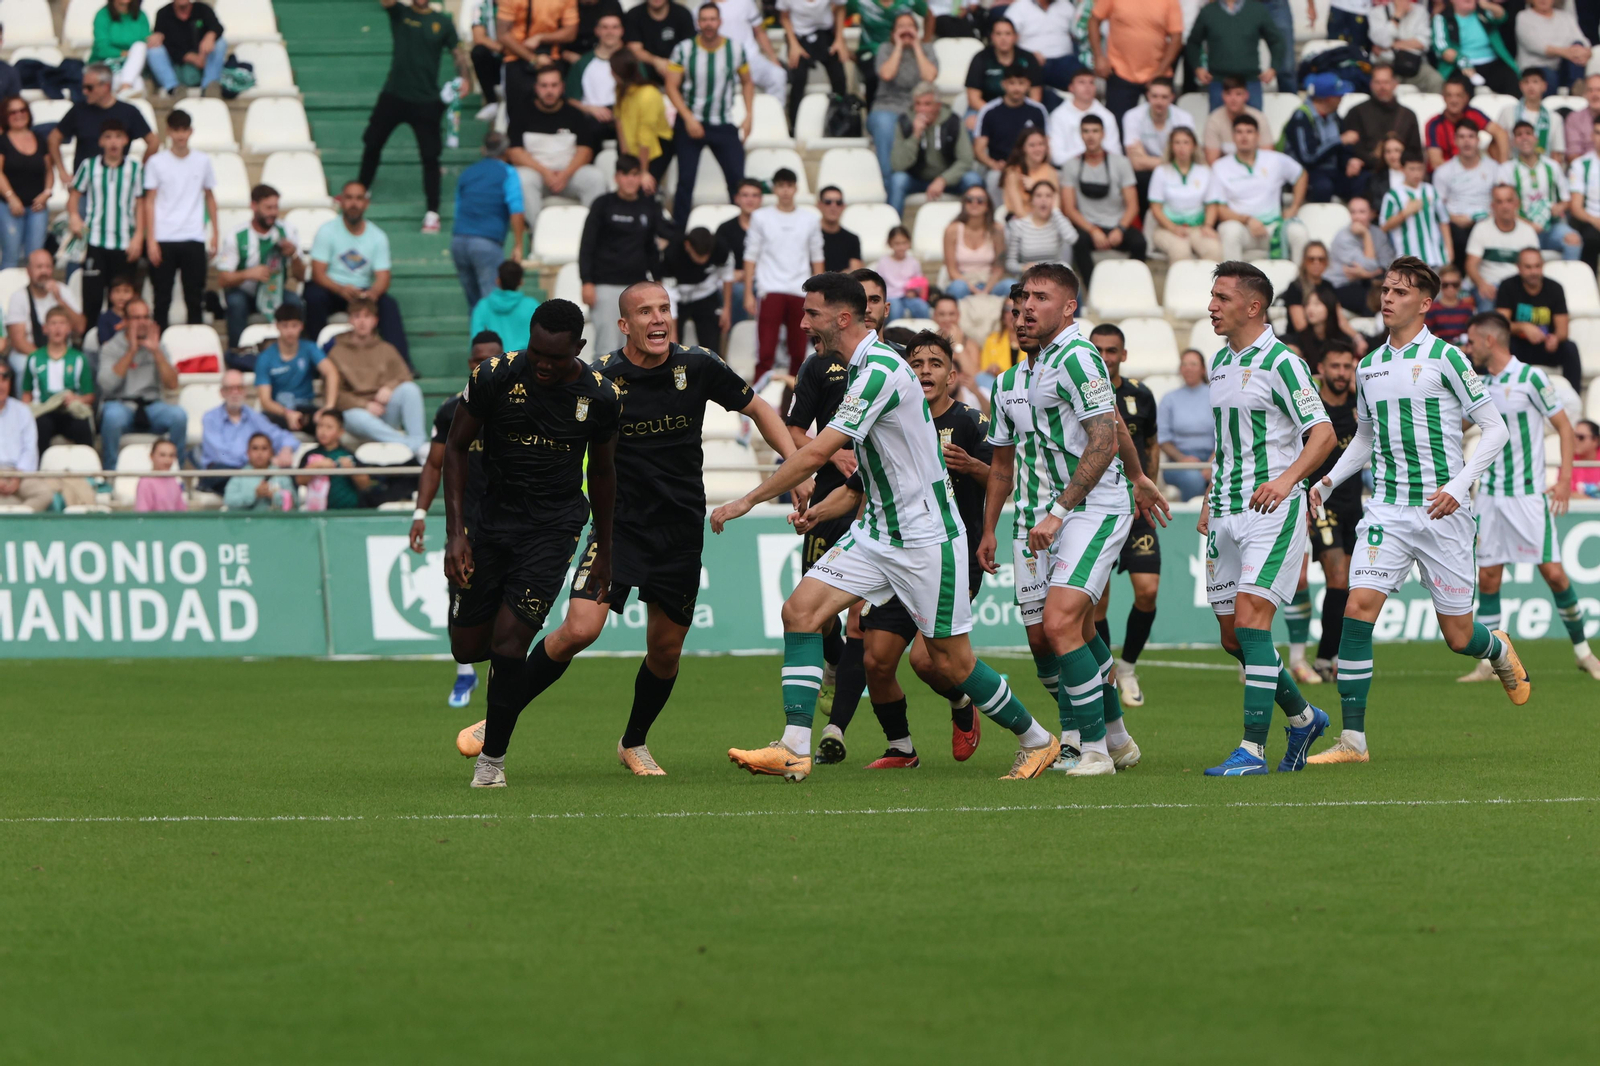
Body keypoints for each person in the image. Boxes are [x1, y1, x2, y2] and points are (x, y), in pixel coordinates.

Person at [710, 271, 1066, 782]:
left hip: (926, 537)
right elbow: (865, 472)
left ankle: (1037, 739)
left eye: (811, 313)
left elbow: (816, 451)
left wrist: (746, 499)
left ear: (842, 317)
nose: (804, 322)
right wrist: (824, 509)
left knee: (950, 663)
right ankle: (793, 745)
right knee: (801, 611)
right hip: (878, 532)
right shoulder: (861, 369)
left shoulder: (877, 369)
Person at [499, 282, 793, 773]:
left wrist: (795, 464)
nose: (658, 320)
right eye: (644, 312)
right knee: (578, 629)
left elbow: (759, 408)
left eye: (664, 310)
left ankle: (633, 742)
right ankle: (499, 716)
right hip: (618, 531)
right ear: (624, 325)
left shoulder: (698, 365)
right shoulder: (600, 378)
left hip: (679, 534)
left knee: (665, 651)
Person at [1309, 256, 1527, 767]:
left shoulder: (1448, 359)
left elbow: (1496, 429)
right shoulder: (1368, 365)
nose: (1387, 298)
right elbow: (1364, 438)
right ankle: (1353, 743)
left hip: (1443, 512)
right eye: (1385, 289)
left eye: (1400, 292)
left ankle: (1495, 649)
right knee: (1357, 608)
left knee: (1458, 637)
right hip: (1386, 508)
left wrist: (1458, 485)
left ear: (1425, 304)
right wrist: (1327, 479)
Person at [795, 331, 994, 766]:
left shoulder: (971, 423)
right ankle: (901, 747)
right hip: (893, 550)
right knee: (876, 660)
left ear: (952, 375)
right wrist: (817, 514)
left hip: (943, 552)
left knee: (929, 661)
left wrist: (975, 468)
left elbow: (1005, 478)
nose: (924, 370)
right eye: (917, 362)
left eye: (935, 363)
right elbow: (857, 487)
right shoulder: (892, 419)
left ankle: (966, 704)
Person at [443, 300, 620, 788]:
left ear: (579, 350)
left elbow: (603, 473)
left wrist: (606, 549)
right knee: (467, 647)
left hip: (553, 528)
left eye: (555, 358)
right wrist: (455, 533)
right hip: (491, 524)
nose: (542, 364)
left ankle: (492, 763)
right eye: (536, 352)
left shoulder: (601, 396)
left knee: (509, 644)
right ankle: (474, 612)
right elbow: (455, 448)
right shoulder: (493, 376)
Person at [1013, 262, 1167, 775]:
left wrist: (1058, 512)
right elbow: (1112, 423)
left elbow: (1101, 437)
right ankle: (1119, 740)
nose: (1027, 305)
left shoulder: (1076, 355)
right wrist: (1141, 472)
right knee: (1080, 627)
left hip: (1094, 508)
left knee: (1058, 624)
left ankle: (1093, 750)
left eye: (1040, 297)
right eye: (1024, 296)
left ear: (1068, 307)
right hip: (1075, 506)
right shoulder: (1043, 360)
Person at [1195, 261, 1334, 776]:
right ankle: (1302, 718)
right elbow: (1226, 441)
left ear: (1253, 306)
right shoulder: (1220, 361)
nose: (1212, 305)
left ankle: (1251, 749)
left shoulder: (1283, 362)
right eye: (1212, 296)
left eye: (1222, 297)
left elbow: (1322, 434)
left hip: (1271, 511)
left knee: (1254, 622)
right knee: (1234, 638)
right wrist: (1211, 494)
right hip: (1226, 508)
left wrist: (1287, 480)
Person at [1458, 312, 1600, 683]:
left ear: (1490, 340)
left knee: (1553, 574)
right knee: (1488, 578)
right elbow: (1461, 423)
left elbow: (1565, 428)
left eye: (1472, 341)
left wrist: (1565, 478)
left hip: (1527, 497)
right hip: (1489, 495)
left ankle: (1584, 653)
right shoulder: (1478, 382)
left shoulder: (1531, 378)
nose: (1468, 347)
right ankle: (1490, 663)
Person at [413, 335, 500, 709]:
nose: (485, 366)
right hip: (465, 526)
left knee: (506, 599)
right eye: (479, 360)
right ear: (470, 364)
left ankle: (502, 672)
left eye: (493, 359)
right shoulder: (452, 410)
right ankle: (465, 672)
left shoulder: (519, 406)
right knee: (460, 596)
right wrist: (420, 513)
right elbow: (435, 464)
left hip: (508, 521)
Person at [1084, 323, 1161, 707]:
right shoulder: (1082, 393)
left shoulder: (1141, 396)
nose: (1104, 357)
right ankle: (1108, 674)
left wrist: (1149, 485)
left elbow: (1150, 444)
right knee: (1097, 603)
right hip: (1098, 508)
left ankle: (1128, 666)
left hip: (1138, 509)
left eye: (1111, 350)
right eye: (1097, 349)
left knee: (1148, 591)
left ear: (1123, 355)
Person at [357, 0, 470, 233]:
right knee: (372, 143)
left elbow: (457, 54)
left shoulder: (443, 22)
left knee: (430, 158)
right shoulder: (400, 13)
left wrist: (465, 77)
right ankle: (362, 189)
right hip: (393, 95)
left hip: (427, 101)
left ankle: (432, 213)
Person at [665, 4, 754, 227]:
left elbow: (747, 82)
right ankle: (679, 232)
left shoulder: (735, 49)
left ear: (720, 21)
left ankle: (741, 230)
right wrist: (688, 118)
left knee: (737, 179)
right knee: (685, 181)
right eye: (704, 19)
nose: (708, 24)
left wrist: (749, 114)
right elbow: (671, 86)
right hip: (690, 122)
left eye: (712, 19)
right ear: (698, 22)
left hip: (723, 123)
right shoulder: (684, 50)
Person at [579, 153, 672, 354]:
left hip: (637, 286)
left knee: (637, 345)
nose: (630, 180)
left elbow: (651, 247)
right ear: (617, 177)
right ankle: (601, 385)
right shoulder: (602, 204)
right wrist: (586, 281)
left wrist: (658, 279)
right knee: (607, 346)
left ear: (640, 178)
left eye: (635, 175)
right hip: (604, 285)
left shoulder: (648, 206)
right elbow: (587, 244)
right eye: (625, 174)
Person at [306, 182, 408, 362]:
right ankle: (315, 360)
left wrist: (372, 294)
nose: (354, 203)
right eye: (349, 198)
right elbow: (318, 273)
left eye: (359, 198)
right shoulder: (327, 231)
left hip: (362, 292)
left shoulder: (377, 236)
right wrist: (340, 289)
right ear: (341, 201)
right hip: (332, 289)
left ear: (366, 203)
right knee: (314, 296)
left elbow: (383, 276)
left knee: (388, 304)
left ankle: (401, 364)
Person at [1308, 343, 1361, 681]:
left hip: (1354, 505)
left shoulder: (1361, 408)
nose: (1342, 373)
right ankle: (1325, 657)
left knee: (1351, 586)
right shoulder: (1312, 409)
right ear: (1322, 369)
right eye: (1336, 366)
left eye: (1347, 367)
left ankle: (1331, 655)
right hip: (1321, 505)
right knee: (1338, 579)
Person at [744, 168, 824, 382]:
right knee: (765, 352)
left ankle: (795, 403)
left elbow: (817, 256)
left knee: (799, 352)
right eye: (781, 186)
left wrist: (820, 293)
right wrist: (748, 293)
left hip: (800, 289)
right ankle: (757, 404)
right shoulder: (761, 217)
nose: (786, 191)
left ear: (796, 188)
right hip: (770, 288)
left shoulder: (810, 219)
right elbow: (751, 254)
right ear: (775, 189)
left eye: (789, 185)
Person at [325, 299, 428, 459]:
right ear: (350, 320)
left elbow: (404, 376)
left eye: (367, 316)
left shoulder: (386, 349)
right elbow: (335, 394)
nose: (362, 321)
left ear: (375, 320)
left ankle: (417, 440)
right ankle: (413, 447)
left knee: (411, 390)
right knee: (355, 416)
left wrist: (389, 387)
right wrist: (364, 405)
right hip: (358, 415)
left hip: (385, 410)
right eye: (357, 316)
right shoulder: (336, 352)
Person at [143, 108, 217, 331]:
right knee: (161, 299)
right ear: (169, 132)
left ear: (191, 131)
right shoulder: (156, 162)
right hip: (164, 237)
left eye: (184, 130)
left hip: (193, 235)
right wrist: (151, 240)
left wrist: (215, 233)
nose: (180, 135)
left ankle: (194, 350)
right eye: (176, 130)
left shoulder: (203, 161)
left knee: (195, 298)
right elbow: (149, 201)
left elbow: (210, 197)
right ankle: (161, 347)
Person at [67, 120, 146, 320]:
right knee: (92, 300)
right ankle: (89, 343)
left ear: (126, 140)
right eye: (108, 137)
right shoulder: (89, 165)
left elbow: (141, 205)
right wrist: (75, 217)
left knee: (123, 303)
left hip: (124, 244)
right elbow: (74, 197)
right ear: (101, 141)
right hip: (95, 242)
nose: (113, 142)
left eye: (118, 137)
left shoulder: (135, 168)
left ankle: (121, 345)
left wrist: (138, 237)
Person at [1204, 113, 1306, 261]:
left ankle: (1298, 282)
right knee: (1230, 231)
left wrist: (1294, 207)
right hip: (1243, 228)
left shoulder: (1274, 159)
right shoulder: (1220, 166)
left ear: (1258, 136)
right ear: (1233, 137)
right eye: (1239, 132)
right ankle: (1234, 282)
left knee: (1299, 232)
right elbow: (1220, 209)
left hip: (1273, 227)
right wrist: (1247, 220)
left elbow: (1301, 174)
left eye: (1249, 131)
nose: (1244, 137)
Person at [95, 299, 184, 465]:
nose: (142, 322)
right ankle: (110, 474)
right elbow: (106, 386)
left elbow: (172, 384)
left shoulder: (158, 346)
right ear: (126, 321)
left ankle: (176, 472)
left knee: (179, 416)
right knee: (112, 416)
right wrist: (131, 351)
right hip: (121, 405)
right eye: (136, 318)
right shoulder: (111, 347)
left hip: (153, 406)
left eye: (146, 317)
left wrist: (156, 352)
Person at [216, 184, 303, 351]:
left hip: (275, 291)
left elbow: (300, 276)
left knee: (294, 302)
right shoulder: (236, 235)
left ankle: (295, 352)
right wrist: (248, 274)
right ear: (254, 206)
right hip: (244, 292)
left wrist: (294, 255)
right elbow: (222, 279)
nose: (273, 213)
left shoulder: (288, 231)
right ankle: (237, 352)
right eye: (268, 207)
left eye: (276, 207)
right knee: (236, 303)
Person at [1059, 114, 1144, 282]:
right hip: (1088, 227)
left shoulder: (1121, 163)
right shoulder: (1071, 165)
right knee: (1078, 241)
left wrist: (1120, 229)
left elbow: (1133, 205)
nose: (1091, 136)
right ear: (1081, 134)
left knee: (1140, 243)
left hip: (1117, 226)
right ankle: (1093, 290)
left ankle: (1134, 285)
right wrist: (1093, 230)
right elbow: (1068, 208)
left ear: (1103, 134)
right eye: (1086, 131)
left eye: (1095, 131)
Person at [46, 64, 156, 190]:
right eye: (83, 87)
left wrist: (138, 171)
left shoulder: (129, 112)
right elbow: (53, 138)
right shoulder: (78, 110)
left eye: (89, 87)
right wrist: (62, 171)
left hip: (118, 186)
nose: (84, 91)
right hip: (85, 186)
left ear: (106, 86)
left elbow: (153, 142)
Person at [451, 133, 528, 312]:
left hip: (458, 241)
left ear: (483, 150)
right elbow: (516, 209)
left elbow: (458, 210)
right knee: (492, 304)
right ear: (507, 151)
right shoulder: (507, 172)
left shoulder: (467, 173)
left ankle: (478, 339)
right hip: (486, 243)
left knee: (475, 306)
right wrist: (518, 244)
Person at [1494, 246, 1582, 390]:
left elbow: (1563, 330)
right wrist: (1523, 327)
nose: (1533, 272)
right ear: (1519, 267)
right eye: (1528, 267)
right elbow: (1500, 324)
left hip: (1546, 346)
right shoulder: (1508, 286)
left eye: (1537, 266)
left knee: (1570, 348)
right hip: (1517, 346)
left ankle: (1574, 398)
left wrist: (1555, 338)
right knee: (1499, 345)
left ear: (1543, 266)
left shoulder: (1555, 288)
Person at [887, 81, 979, 215]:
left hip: (948, 180)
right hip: (916, 179)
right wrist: (915, 135)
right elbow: (897, 165)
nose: (921, 109)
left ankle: (974, 229)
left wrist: (943, 180)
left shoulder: (953, 121)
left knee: (973, 179)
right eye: (918, 104)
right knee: (898, 180)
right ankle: (894, 231)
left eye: (927, 104)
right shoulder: (904, 122)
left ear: (938, 106)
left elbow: (966, 160)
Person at [1088, 0, 1183, 128]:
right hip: (1120, 71)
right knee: (1116, 128)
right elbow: (1094, 20)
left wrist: (1160, 72)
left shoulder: (1170, 2)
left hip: (1157, 75)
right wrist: (1099, 56)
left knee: (1166, 128)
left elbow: (1176, 37)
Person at [1496, 120, 1581, 262]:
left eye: (1528, 134)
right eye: (1519, 135)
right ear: (1513, 142)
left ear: (1535, 138)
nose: (1524, 138)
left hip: (1551, 227)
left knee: (1573, 239)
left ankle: (1569, 280)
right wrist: (1528, 225)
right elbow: (1502, 207)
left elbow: (1566, 199)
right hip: (1519, 227)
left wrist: (1559, 207)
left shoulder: (1552, 166)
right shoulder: (1506, 169)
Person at [868, 14, 939, 183]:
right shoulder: (886, 49)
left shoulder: (927, 49)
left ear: (917, 31)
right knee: (884, 125)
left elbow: (929, 77)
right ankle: (888, 181)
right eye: (901, 26)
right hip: (887, 107)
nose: (906, 29)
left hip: (918, 107)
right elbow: (886, 74)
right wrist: (899, 46)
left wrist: (916, 46)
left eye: (910, 26)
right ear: (893, 32)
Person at [1185, 0, 1286, 110]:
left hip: (1250, 82)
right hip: (1219, 82)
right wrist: (1197, 67)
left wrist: (1273, 68)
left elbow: (1276, 41)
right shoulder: (1208, 12)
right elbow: (1193, 43)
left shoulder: (1257, 10)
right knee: (1218, 125)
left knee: (1253, 124)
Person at [973, 64, 1050, 201]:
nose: (1016, 88)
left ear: (1028, 85)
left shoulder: (1038, 110)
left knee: (1054, 176)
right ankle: (997, 219)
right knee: (993, 178)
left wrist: (1040, 168)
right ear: (1003, 84)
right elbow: (979, 149)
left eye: (1021, 83)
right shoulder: (989, 111)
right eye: (1012, 83)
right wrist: (993, 164)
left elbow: (1046, 144)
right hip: (1001, 168)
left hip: (1033, 167)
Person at [202, 368, 298, 476]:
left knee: (287, 475)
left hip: (252, 472)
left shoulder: (254, 416)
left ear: (245, 391)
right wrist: (256, 460)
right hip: (223, 473)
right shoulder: (211, 418)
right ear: (222, 392)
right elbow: (221, 455)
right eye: (230, 388)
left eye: (239, 387)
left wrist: (286, 449)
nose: (235, 392)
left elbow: (282, 437)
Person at [254, 304, 335, 432]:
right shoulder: (265, 357)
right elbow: (265, 400)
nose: (290, 331)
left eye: (294, 325)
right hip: (279, 411)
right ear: (277, 326)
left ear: (301, 326)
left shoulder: (310, 348)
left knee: (329, 423)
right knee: (262, 422)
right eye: (285, 326)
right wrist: (287, 413)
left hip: (306, 409)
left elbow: (331, 372)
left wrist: (329, 407)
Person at [1284, 74, 1363, 204]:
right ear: (1328, 99)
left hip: (1332, 170)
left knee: (1362, 180)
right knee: (1323, 187)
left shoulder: (1334, 116)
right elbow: (1308, 157)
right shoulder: (1301, 117)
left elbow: (1343, 149)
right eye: (1338, 95)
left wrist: (1350, 161)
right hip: (1306, 172)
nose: (1342, 98)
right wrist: (1339, 141)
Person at [6, 249, 85, 378]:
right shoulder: (18, 297)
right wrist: (45, 360)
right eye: (39, 267)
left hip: (63, 351)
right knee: (22, 367)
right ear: (28, 271)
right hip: (29, 352)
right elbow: (18, 341)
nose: (44, 271)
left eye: (48, 267)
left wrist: (59, 299)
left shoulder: (63, 291)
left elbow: (80, 328)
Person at [21, 307, 94, 448]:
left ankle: (88, 467)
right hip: (43, 411)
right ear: (45, 328)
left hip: (69, 411)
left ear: (69, 328)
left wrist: (76, 399)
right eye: (53, 323)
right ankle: (37, 468)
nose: (57, 328)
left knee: (82, 427)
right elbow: (26, 394)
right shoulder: (34, 358)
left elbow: (89, 396)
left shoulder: (78, 358)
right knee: (41, 426)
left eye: (62, 323)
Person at [1434, 116, 1498, 268]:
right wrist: (1453, 218)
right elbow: (1437, 206)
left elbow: (1501, 199)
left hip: (1487, 221)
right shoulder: (1443, 171)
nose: (1466, 141)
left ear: (1478, 140)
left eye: (1471, 136)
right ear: (1455, 140)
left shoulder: (1494, 168)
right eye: (1461, 137)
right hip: (1457, 225)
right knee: (1457, 235)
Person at [1148, 127, 1219, 261]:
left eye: (1186, 142)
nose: (1182, 147)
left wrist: (1208, 226)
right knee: (1180, 251)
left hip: (1197, 228)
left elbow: (1211, 205)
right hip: (1167, 228)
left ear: (1194, 146)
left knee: (1213, 249)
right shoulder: (1161, 171)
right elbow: (1155, 208)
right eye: (1177, 142)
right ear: (1171, 146)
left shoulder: (1204, 171)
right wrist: (1173, 228)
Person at [1122, 77, 1195, 208]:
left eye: (1164, 97)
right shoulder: (1132, 116)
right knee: (1140, 177)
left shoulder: (1184, 118)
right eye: (1154, 96)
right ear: (1148, 96)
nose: (1159, 102)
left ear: (1172, 97)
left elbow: (1188, 155)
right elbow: (1136, 163)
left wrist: (1146, 160)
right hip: (1149, 172)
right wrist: (1172, 160)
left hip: (1176, 169)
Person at [1466, 183, 1539, 309]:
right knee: (1486, 313)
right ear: (1492, 206)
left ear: (1517, 204)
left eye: (1509, 201)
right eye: (1499, 202)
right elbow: (1471, 265)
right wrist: (1482, 284)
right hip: (1489, 286)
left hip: (1518, 287)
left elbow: (1535, 264)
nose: (1505, 206)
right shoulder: (1481, 229)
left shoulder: (1528, 232)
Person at [1285, 242, 1368, 352]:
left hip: (1327, 338)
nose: (1316, 263)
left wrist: (1358, 339)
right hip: (1302, 341)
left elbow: (1340, 320)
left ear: (1327, 262)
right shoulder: (1295, 287)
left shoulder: (1328, 286)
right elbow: (1300, 326)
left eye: (1321, 259)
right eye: (1311, 259)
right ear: (1304, 262)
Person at [779, 0, 849, 131]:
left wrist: (840, 39)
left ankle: (842, 120)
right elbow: (784, 16)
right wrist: (793, 44)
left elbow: (840, 8)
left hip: (826, 33)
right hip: (798, 36)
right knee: (798, 78)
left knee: (839, 77)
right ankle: (794, 125)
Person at [962, 18, 1043, 130]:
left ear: (1016, 37)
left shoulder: (1028, 58)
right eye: (998, 34)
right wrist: (998, 115)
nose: (1003, 38)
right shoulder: (980, 58)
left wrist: (1019, 115)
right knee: (971, 122)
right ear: (992, 37)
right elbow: (973, 98)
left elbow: (1035, 96)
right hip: (986, 108)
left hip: (1021, 109)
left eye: (1008, 34)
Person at [0, 97, 52, 270]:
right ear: (5, 116)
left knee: (36, 257)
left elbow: (49, 171)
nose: (19, 115)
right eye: (13, 112)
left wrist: (46, 193)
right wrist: (11, 197)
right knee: (11, 256)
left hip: (37, 206)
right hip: (8, 206)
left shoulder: (39, 138)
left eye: (22, 110)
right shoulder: (2, 141)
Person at [1432, 0, 1520, 96]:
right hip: (1460, 66)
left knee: (1512, 81)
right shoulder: (1441, 18)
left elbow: (1502, 16)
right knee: (1460, 91)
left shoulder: (1483, 13)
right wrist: (1461, 60)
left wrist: (1486, 4)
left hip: (1492, 63)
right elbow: (1442, 48)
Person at [1380, 152, 1452, 269]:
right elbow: (1383, 227)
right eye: (1412, 169)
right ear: (1402, 169)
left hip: (1436, 257)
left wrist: (1449, 250)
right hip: (1409, 262)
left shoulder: (1431, 190)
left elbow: (1443, 221)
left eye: (1420, 169)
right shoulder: (1393, 195)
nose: (1416, 173)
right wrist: (1405, 213)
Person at [1158, 348, 1214, 500]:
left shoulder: (1215, 396)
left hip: (1214, 458)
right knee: (1193, 480)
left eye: (1193, 364)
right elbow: (1163, 439)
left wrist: (1211, 463)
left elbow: (1225, 433)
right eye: (1184, 364)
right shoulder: (1169, 399)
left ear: (1203, 369)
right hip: (1178, 462)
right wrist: (1182, 458)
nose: (1188, 368)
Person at [612, 51, 672, 188]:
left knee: (644, 188)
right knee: (626, 188)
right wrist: (625, 158)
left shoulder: (649, 94)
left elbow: (646, 136)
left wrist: (643, 172)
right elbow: (619, 122)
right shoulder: (620, 89)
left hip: (656, 147)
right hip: (630, 145)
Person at [1427, 74, 1509, 172]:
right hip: (1449, 175)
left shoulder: (1473, 114)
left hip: (1474, 169)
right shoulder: (1433, 124)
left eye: (1458, 95)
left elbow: (1501, 133)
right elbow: (1436, 162)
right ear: (1443, 97)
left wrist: (1504, 167)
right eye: (1449, 95)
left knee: (1496, 142)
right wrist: (1463, 173)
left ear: (1466, 97)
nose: (1454, 100)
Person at [1325, 195, 1393, 313]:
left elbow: (1388, 264)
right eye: (1353, 212)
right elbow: (1370, 265)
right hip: (1340, 285)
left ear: (1372, 214)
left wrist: (1368, 274)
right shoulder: (1343, 237)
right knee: (1371, 303)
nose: (1356, 217)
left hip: (1367, 283)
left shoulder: (1378, 233)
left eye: (1362, 212)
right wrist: (1366, 234)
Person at [147, 0, 228, 97]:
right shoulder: (163, 13)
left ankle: (209, 88)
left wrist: (211, 35)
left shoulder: (202, 9)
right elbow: (165, 44)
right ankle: (173, 89)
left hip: (204, 66)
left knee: (220, 42)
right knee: (154, 49)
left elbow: (217, 27)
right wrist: (189, 57)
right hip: (177, 68)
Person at [298, 407, 371, 511]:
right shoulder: (310, 455)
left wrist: (352, 471)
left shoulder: (348, 455)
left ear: (341, 432)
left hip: (348, 513)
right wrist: (315, 466)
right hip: (318, 513)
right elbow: (300, 480)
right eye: (320, 426)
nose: (323, 431)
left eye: (329, 427)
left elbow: (365, 484)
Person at [997, 0, 1080, 91]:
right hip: (1031, 61)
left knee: (1083, 80)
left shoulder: (1066, 5)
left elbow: (1078, 33)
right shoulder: (1019, 7)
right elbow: (1006, 37)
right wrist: (1029, 55)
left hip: (1065, 60)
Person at [716, 178, 763, 335]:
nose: (750, 200)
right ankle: (737, 339)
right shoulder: (725, 229)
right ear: (737, 199)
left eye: (755, 195)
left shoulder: (769, 227)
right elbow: (719, 264)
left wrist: (747, 274)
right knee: (737, 292)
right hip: (734, 282)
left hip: (765, 279)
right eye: (745, 195)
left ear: (761, 199)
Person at [1046, 69, 1122, 166]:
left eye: (1091, 82)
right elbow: (1056, 158)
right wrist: (1090, 154)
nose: (1087, 86)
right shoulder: (1058, 116)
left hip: (1102, 172)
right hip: (1067, 172)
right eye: (1081, 82)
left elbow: (1116, 154)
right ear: (1071, 87)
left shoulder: (1107, 116)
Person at [565, 12, 626, 130]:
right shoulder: (582, 63)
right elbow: (571, 99)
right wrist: (590, 109)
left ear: (622, 31)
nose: (610, 32)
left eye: (615, 27)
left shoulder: (631, 61)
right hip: (591, 119)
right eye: (605, 27)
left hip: (625, 118)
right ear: (597, 31)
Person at [943, 186, 1006, 299]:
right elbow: (952, 271)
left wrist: (986, 290)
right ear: (964, 204)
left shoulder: (997, 229)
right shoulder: (952, 230)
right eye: (969, 199)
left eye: (980, 200)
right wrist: (974, 289)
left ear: (988, 205)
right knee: (958, 287)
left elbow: (999, 269)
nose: (974, 203)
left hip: (989, 281)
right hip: (963, 281)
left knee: (1009, 286)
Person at [1368, 0, 1444, 93]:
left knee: (1436, 80)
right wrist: (1397, 15)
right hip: (1387, 63)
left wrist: (1391, 45)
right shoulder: (1377, 12)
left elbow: (1423, 43)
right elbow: (1382, 40)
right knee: (1382, 80)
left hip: (1414, 63)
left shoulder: (1421, 12)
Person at [663, 226, 722, 345]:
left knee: (711, 345)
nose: (703, 260)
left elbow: (727, 274)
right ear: (687, 246)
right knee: (672, 346)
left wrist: (727, 310)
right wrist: (672, 333)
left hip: (706, 296)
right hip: (677, 298)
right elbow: (669, 293)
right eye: (698, 255)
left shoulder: (720, 247)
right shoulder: (671, 253)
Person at [1518, 0, 1591, 93]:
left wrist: (1587, 52)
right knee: (1549, 76)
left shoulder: (1566, 17)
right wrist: (1568, 53)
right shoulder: (1524, 17)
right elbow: (1537, 46)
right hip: (1536, 68)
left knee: (1578, 44)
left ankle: (1576, 90)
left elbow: (1583, 41)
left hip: (1562, 68)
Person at [1005, 181, 1076, 275]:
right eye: (1038, 196)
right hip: (1029, 276)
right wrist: (1022, 268)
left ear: (1054, 200)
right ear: (1031, 200)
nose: (1043, 200)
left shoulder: (1059, 221)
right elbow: (1010, 263)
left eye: (1048, 196)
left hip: (1055, 276)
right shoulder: (1019, 225)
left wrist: (1055, 210)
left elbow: (1072, 238)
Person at [469, 260, 541, 352]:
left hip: (493, 363)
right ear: (521, 282)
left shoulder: (482, 306)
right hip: (524, 362)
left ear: (498, 281)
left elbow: (476, 341)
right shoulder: (532, 306)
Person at [1497, 67, 1565, 164]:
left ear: (1544, 86)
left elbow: (1557, 154)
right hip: (1513, 169)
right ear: (1520, 86)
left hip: (1543, 172)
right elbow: (1496, 145)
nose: (1531, 86)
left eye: (1535, 82)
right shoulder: (1507, 112)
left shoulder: (1555, 118)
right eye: (1526, 82)